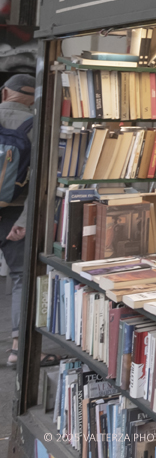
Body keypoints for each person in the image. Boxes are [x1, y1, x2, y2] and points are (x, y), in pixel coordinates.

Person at [0, 75, 34, 367]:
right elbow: (40, 181)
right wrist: (24, 220)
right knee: (22, 277)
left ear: (4, 93)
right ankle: (16, 349)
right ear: (33, 100)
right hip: (14, 212)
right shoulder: (35, 126)